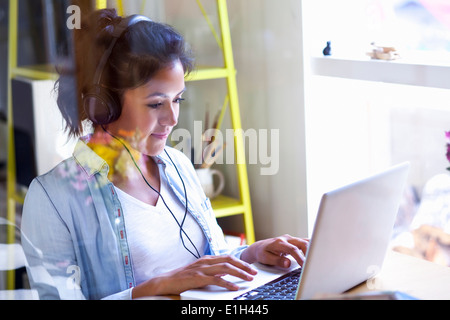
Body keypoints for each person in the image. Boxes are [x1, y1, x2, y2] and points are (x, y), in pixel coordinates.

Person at [21, 9, 308, 300]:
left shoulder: (178, 165)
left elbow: (210, 261)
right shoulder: (52, 198)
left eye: (178, 99)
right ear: (103, 104)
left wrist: (250, 254)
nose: (172, 118)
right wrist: (158, 286)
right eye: (157, 103)